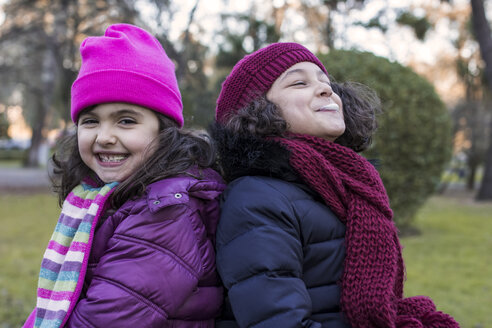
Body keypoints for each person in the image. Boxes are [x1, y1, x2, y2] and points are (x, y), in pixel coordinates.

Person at [211, 43, 459, 328]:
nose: (326, 90)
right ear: (256, 110)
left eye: (326, 82)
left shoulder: (342, 185)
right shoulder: (256, 198)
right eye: (299, 82)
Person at [22, 24, 225, 328]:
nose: (104, 136)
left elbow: (102, 320)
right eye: (91, 121)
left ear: (164, 129)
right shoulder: (103, 196)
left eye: (126, 120)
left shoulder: (167, 211)